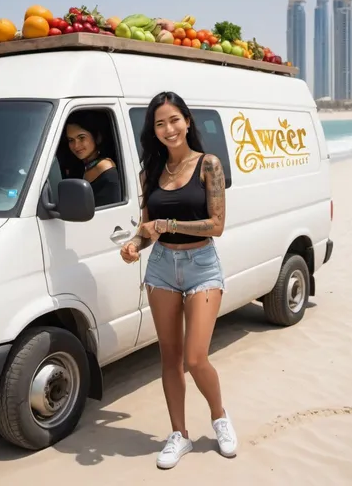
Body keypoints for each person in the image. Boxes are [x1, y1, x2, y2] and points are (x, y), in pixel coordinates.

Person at [120, 91, 238, 469]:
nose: (168, 129)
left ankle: (219, 418)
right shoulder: (149, 173)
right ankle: (179, 435)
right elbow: (146, 227)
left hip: (202, 264)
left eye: (174, 120)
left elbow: (216, 225)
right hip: (161, 267)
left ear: (187, 121)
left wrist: (168, 224)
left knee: (195, 357)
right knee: (169, 358)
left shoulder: (209, 165)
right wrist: (134, 244)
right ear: (153, 132)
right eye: (159, 123)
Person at [64, 111, 121, 207]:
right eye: (71, 140)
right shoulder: (79, 166)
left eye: (81, 137)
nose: (76, 145)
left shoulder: (105, 167)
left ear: (97, 137)